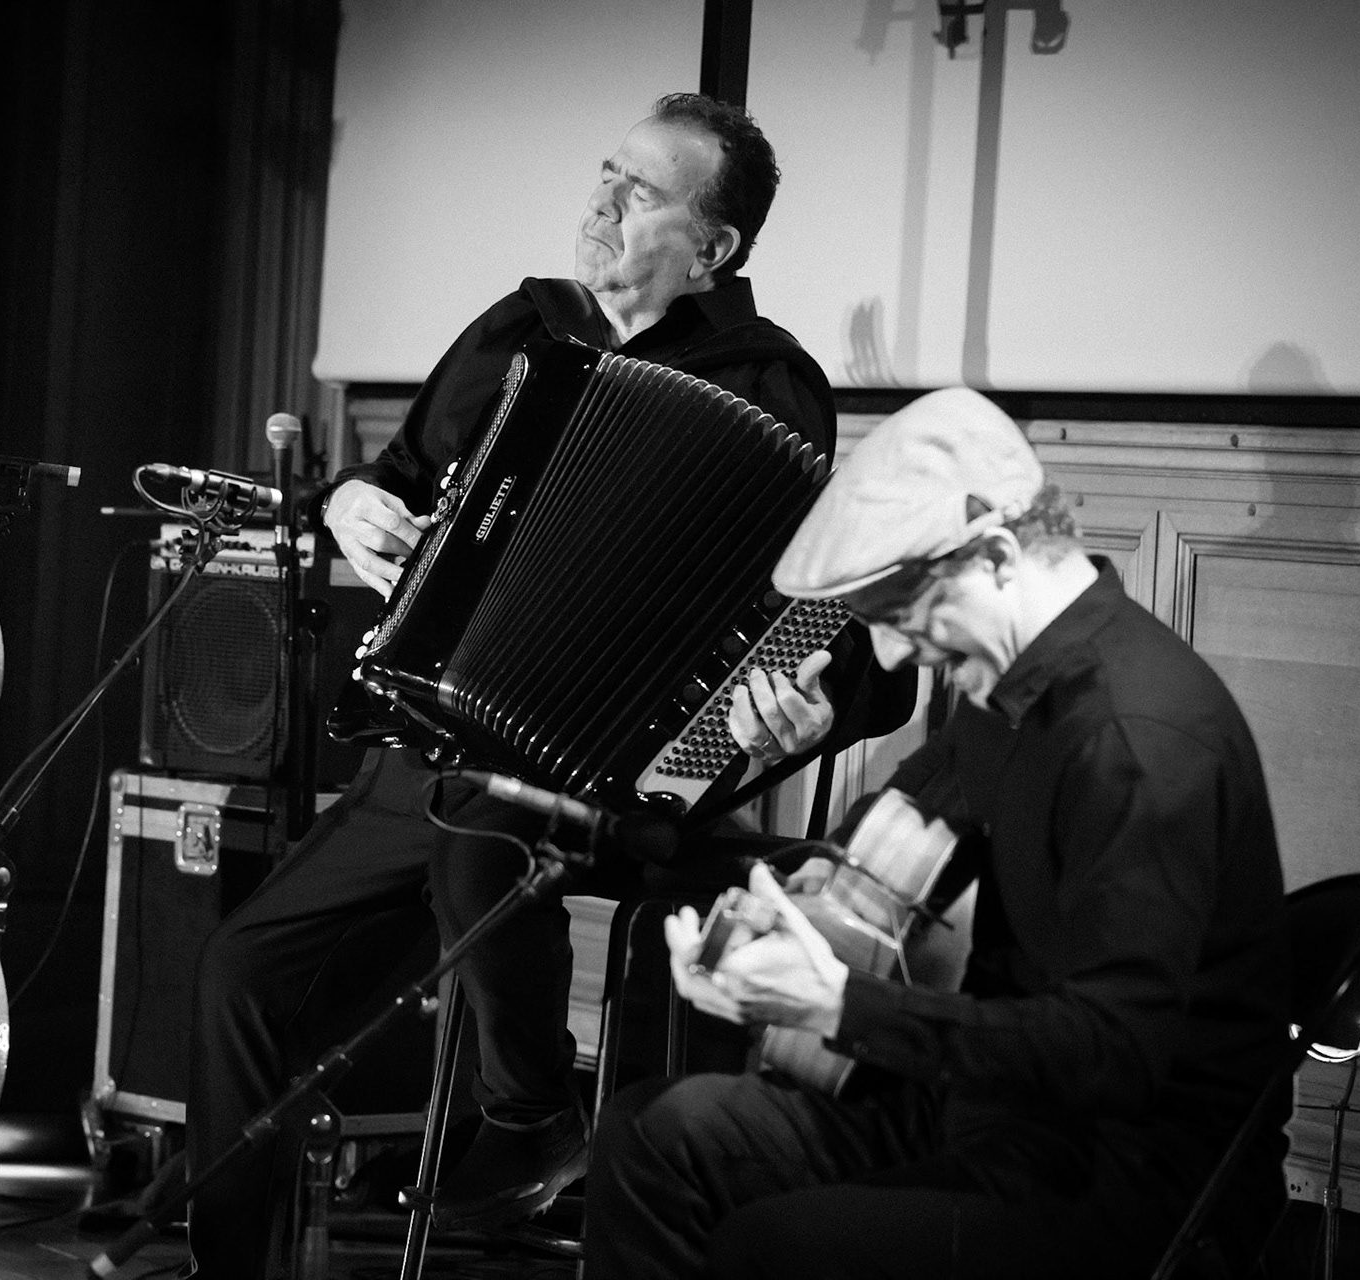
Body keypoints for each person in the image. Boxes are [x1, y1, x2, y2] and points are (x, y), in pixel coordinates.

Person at [186, 95, 912, 1276]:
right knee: (240, 970)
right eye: (607, 172)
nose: (602, 200)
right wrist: (348, 500)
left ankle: (532, 1115)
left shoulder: (764, 384)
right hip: (428, 742)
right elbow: (400, 474)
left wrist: (817, 695)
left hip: (623, 784)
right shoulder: (521, 331)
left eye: (641, 190)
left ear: (715, 248)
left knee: (482, 813)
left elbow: (817, 620)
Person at [582, 387, 1290, 1278]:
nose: (885, 657)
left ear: (994, 555)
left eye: (897, 617)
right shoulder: (1005, 687)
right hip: (986, 1102)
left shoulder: (1132, 740)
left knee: (773, 1249)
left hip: (1127, 1170)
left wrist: (842, 1005)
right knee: (658, 1137)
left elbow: (1117, 1055)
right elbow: (875, 869)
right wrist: (787, 922)